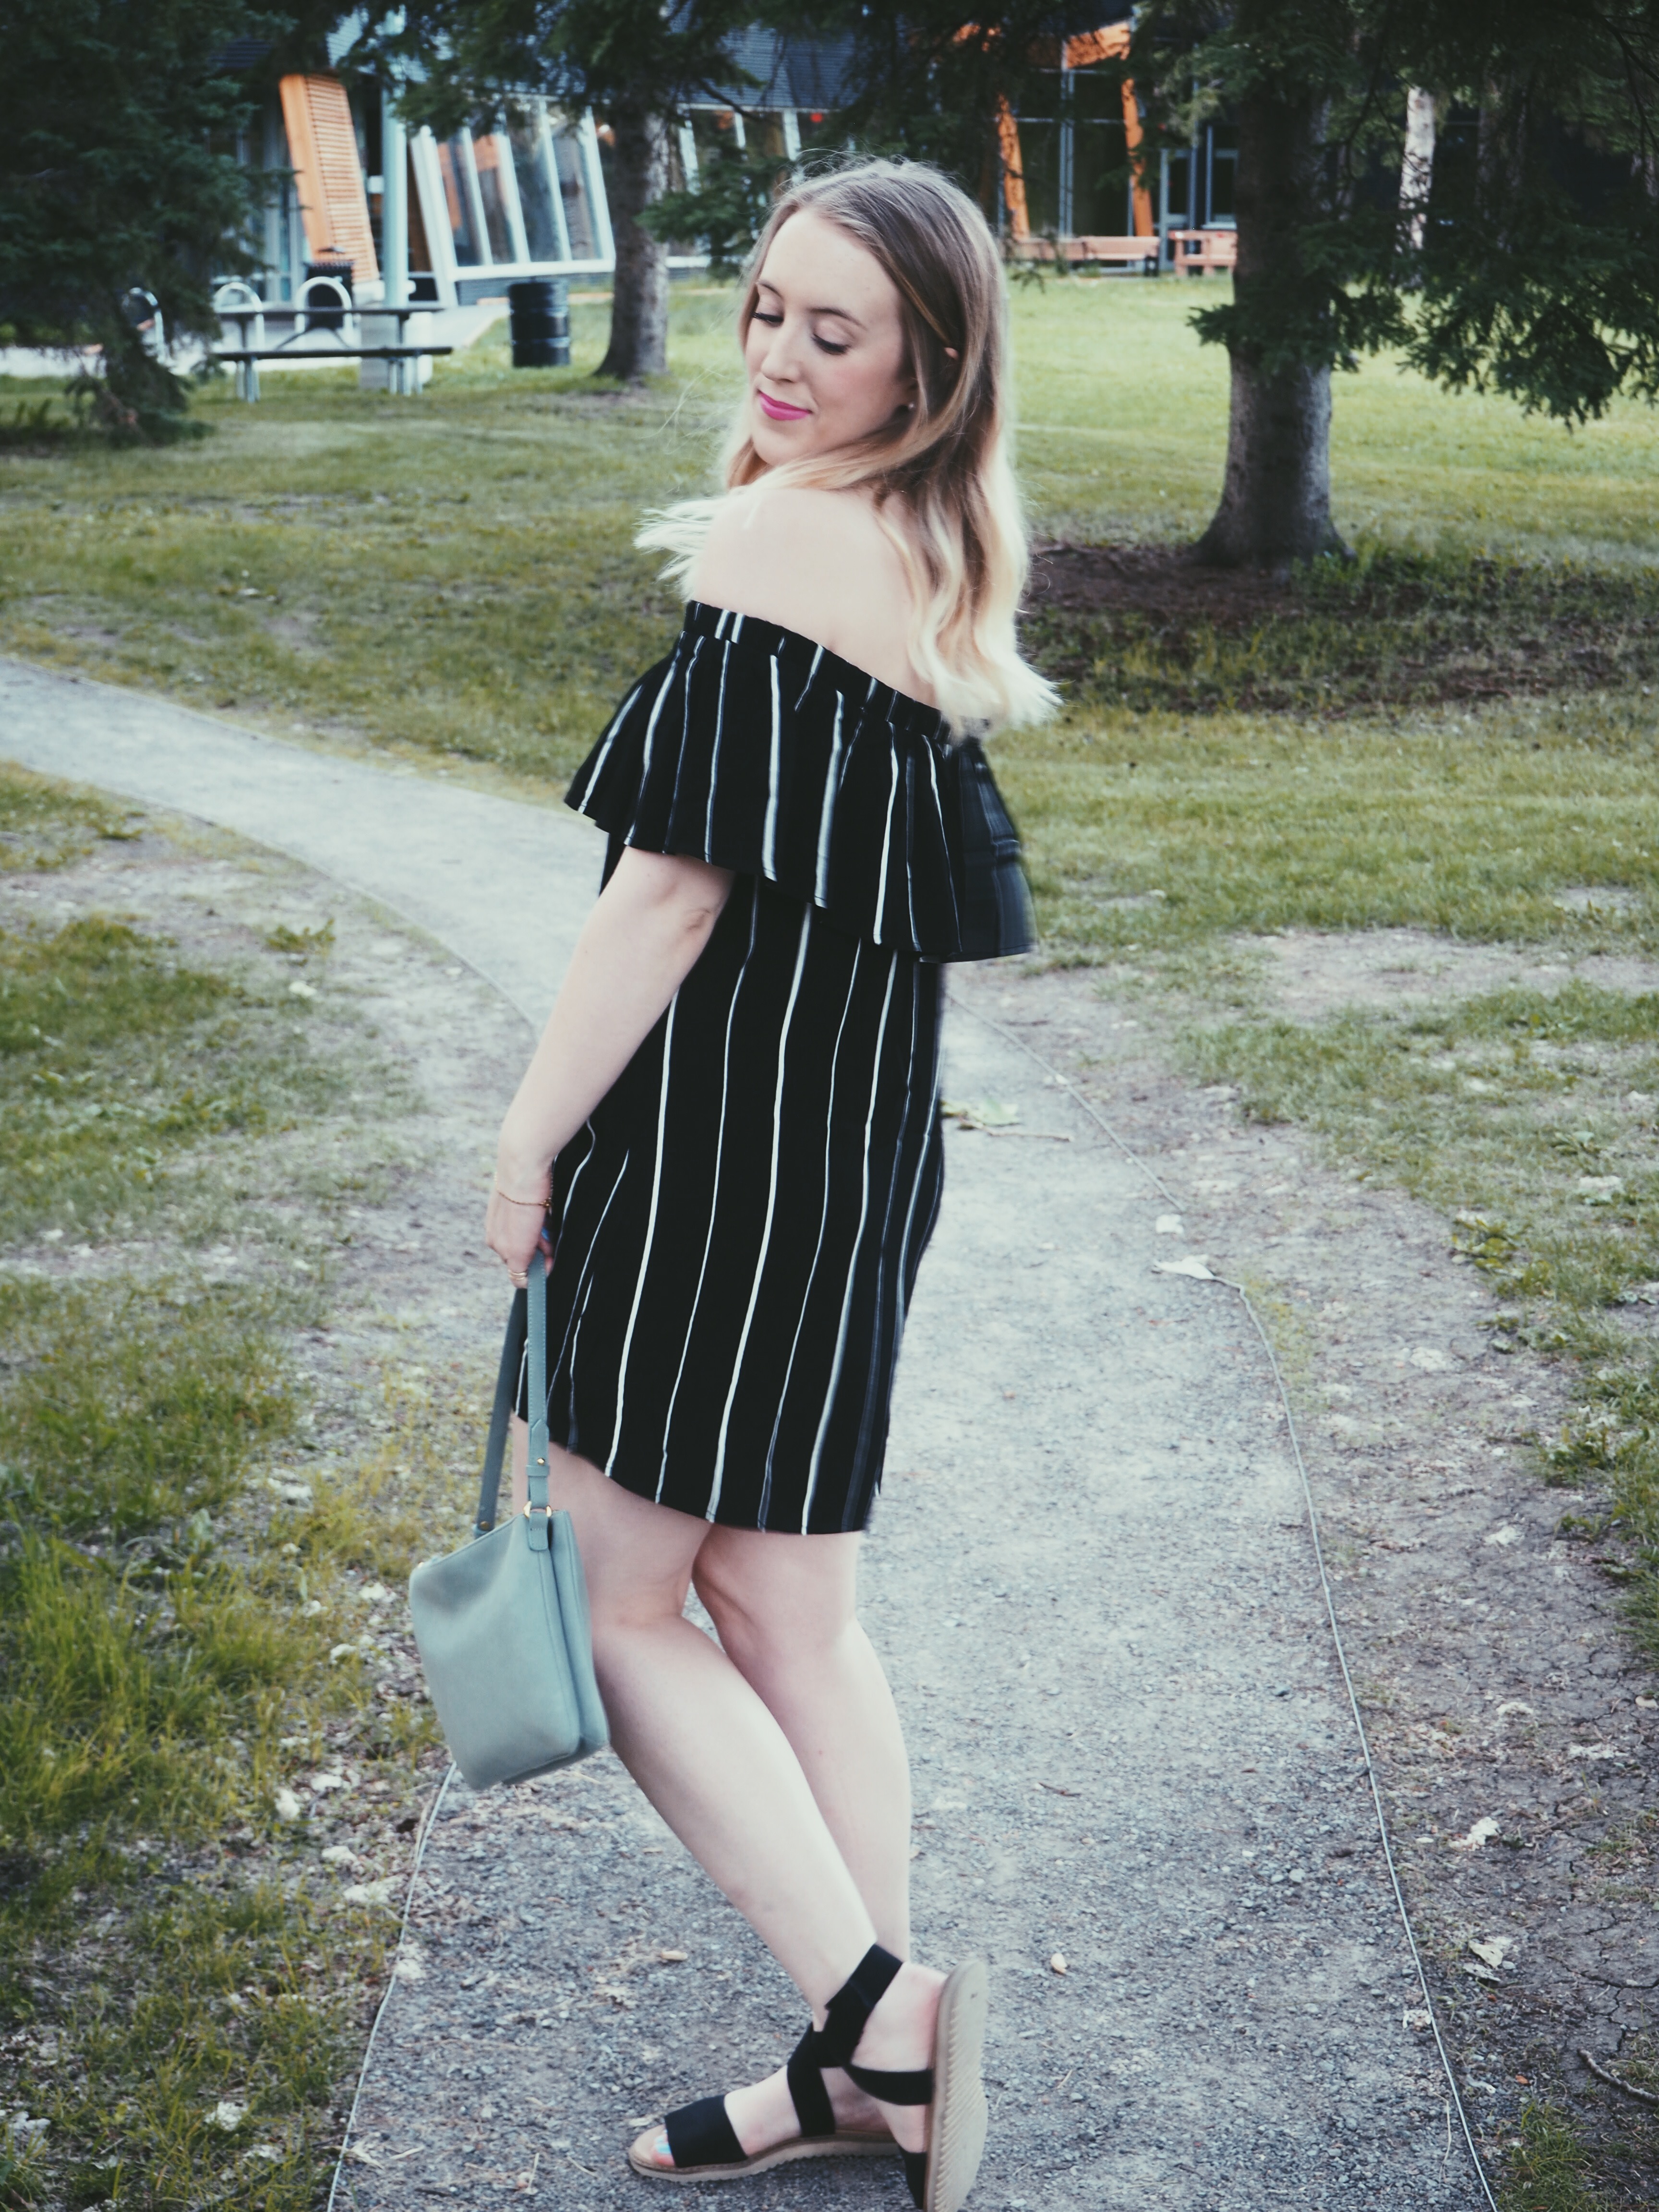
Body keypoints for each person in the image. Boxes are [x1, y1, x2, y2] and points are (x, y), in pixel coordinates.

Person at [484, 157, 1055, 2212]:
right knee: (792, 1609)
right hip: (849, 1147)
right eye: (768, 315)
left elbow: (666, 896)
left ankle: (878, 2025)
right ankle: (861, 2059)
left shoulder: (780, 534)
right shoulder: (924, 542)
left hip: (720, 1139)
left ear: (929, 357)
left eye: (840, 331)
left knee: (621, 1600)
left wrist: (530, 1135)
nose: (787, 361)